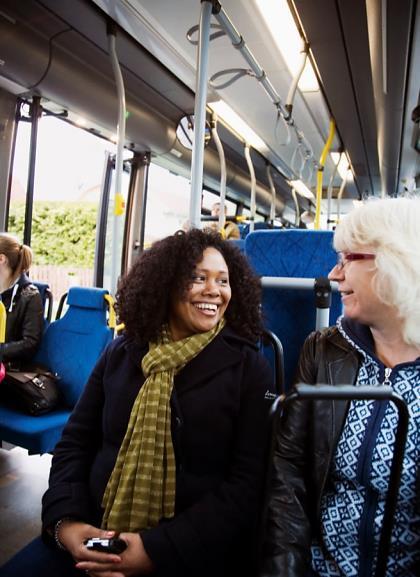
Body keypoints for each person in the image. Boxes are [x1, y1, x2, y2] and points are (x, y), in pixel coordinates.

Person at [0, 229, 273, 577]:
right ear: (166, 284)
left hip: (189, 550)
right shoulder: (123, 351)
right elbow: (75, 443)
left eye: (223, 280)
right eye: (198, 277)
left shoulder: (249, 368)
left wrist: (156, 549)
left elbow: (248, 485)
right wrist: (65, 523)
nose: (214, 291)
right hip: (93, 529)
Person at [259, 196, 420, 577]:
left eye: (347, 259)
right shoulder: (325, 350)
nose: (333, 275)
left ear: (394, 262)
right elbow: (289, 478)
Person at [0, 233, 43, 364]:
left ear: (1, 259)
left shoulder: (30, 295)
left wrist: (1, 350)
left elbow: (29, 344)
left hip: (9, 368)